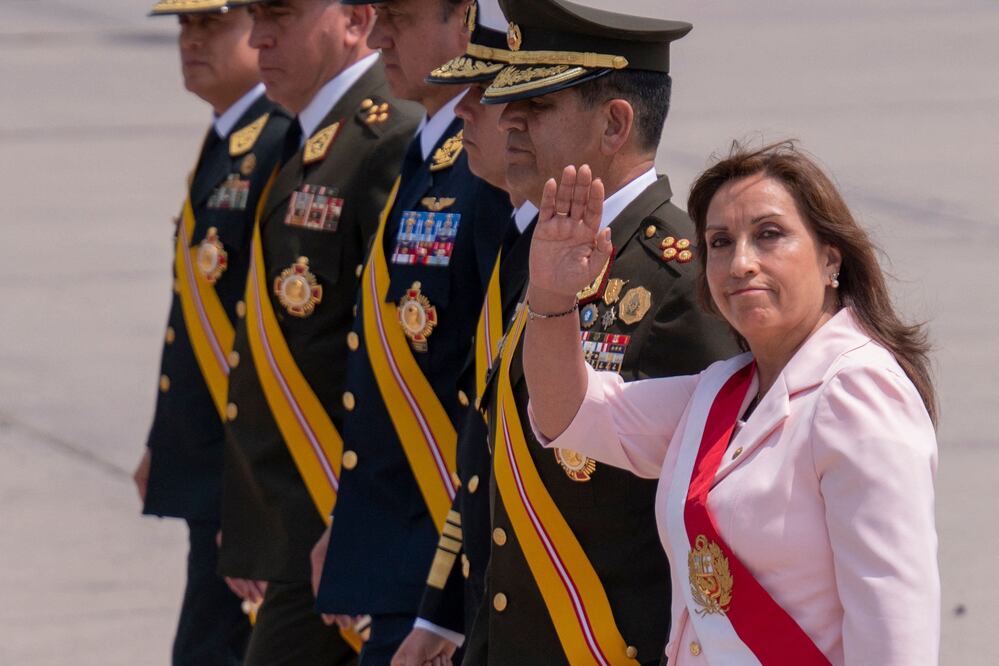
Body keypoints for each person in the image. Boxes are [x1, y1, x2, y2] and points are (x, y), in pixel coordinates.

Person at [524, 142, 940, 664]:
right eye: (720, 242)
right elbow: (570, 413)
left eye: (769, 234)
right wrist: (552, 292)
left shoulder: (859, 392)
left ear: (830, 258)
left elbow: (894, 631)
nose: (741, 263)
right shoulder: (721, 391)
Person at [462, 1, 737, 664]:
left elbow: (716, 515)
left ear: (614, 124)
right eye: (511, 102)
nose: (509, 119)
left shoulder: (684, 281)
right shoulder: (546, 253)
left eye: (538, 104)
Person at [213, 0, 420, 663]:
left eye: (281, 15)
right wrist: (252, 517)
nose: (258, 36)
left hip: (343, 511)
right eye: (254, 15)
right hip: (299, 517)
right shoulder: (304, 131)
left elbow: (392, 352)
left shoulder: (386, 137)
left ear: (356, 20)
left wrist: (360, 517)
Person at [310, 0, 511, 662]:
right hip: (399, 545)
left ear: (466, 21)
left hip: (444, 559)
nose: (379, 36)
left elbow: (491, 385)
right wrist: (352, 528)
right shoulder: (428, 153)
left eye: (400, 16)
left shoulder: (486, 171)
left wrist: (446, 601)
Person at [135, 1, 292, 664]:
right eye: (184, 25)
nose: (190, 40)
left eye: (210, 23)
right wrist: (165, 438)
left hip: (246, 470)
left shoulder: (277, 141)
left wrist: (253, 492)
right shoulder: (230, 136)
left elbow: (275, 337)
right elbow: (195, 312)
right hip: (214, 458)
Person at [392, 2, 538, 663]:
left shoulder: (568, 253)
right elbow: (484, 446)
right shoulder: (518, 239)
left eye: (488, 91)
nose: (465, 109)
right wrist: (442, 612)